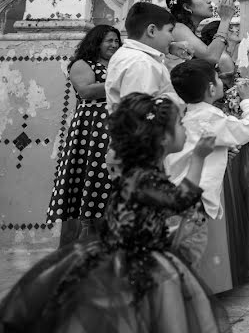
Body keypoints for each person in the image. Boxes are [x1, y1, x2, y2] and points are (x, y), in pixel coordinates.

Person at [0, 93, 228, 333]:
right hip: (132, 265)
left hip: (132, 253)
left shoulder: (142, 171)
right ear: (162, 138)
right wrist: (198, 158)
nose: (185, 129)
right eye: (180, 124)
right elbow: (181, 199)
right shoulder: (143, 177)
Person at [167, 59, 249, 294]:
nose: (221, 82)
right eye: (218, 78)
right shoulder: (211, 117)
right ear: (210, 88)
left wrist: (223, 149)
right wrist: (248, 100)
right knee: (191, 255)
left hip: (176, 190)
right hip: (196, 196)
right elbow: (248, 129)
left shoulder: (186, 115)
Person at [199, 19, 249, 282]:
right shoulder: (224, 60)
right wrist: (247, 100)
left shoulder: (224, 58)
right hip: (228, 123)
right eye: (231, 29)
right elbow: (232, 92)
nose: (238, 33)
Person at [47, 25, 121, 247]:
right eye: (109, 40)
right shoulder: (83, 64)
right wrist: (123, 82)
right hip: (92, 130)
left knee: (107, 181)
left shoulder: (118, 65)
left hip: (114, 128)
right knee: (89, 178)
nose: (114, 45)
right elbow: (86, 90)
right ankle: (73, 249)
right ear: (95, 42)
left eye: (117, 41)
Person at [105, 2, 179, 113]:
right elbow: (139, 113)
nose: (172, 38)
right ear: (152, 31)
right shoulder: (141, 63)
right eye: (170, 31)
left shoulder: (128, 54)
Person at [165, 0, 236, 66]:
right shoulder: (177, 28)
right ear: (187, 7)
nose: (209, 1)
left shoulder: (189, 32)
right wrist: (225, 19)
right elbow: (212, 56)